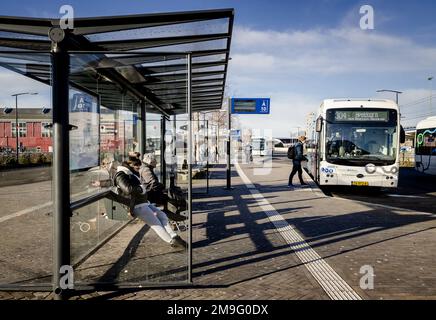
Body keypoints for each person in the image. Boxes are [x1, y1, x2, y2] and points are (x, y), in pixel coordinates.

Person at [113, 157, 186, 249]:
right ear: (130, 165)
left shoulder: (129, 173)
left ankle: (173, 236)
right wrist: (141, 188)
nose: (139, 168)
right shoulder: (121, 174)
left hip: (142, 202)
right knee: (156, 224)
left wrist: (141, 189)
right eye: (137, 166)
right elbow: (127, 189)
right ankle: (172, 241)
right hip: (136, 205)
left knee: (162, 215)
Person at [140, 153, 187, 222]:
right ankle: (173, 217)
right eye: (155, 160)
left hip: (151, 192)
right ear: (151, 161)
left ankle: (173, 216)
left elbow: (153, 183)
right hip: (150, 194)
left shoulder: (146, 168)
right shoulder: (146, 170)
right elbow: (153, 183)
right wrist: (163, 187)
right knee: (171, 197)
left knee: (172, 196)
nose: (156, 162)